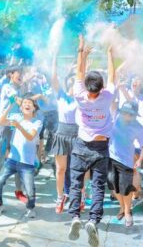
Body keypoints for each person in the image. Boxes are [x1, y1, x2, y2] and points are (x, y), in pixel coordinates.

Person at [68, 36, 115, 247]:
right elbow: (113, 77)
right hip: (101, 146)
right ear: (101, 87)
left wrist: (82, 53)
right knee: (98, 186)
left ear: (87, 87)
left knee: (77, 183)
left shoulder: (79, 95)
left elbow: (79, 72)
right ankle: (93, 220)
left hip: (81, 145)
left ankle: (75, 216)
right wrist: (109, 55)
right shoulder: (107, 97)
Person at [0, 94, 42, 218]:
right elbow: (0, 122)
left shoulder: (37, 122)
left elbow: (30, 137)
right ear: (21, 107)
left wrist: (19, 126)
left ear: (34, 108)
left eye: (30, 103)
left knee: (30, 191)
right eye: (24, 103)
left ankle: (30, 208)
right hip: (12, 160)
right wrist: (10, 104)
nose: (27, 104)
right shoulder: (16, 117)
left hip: (27, 163)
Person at [0, 66, 24, 199]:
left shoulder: (21, 88)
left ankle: (19, 190)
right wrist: (22, 99)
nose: (21, 76)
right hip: (3, 128)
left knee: (18, 158)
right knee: (0, 160)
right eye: (19, 73)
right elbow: (16, 100)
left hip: (15, 128)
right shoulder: (7, 87)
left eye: (22, 74)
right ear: (11, 75)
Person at [107, 101, 143, 227]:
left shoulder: (139, 128)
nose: (125, 115)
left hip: (126, 162)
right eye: (124, 112)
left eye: (129, 114)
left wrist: (140, 160)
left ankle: (128, 212)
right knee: (114, 186)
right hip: (111, 157)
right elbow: (111, 100)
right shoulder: (116, 117)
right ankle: (122, 208)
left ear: (134, 115)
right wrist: (117, 85)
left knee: (126, 189)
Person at [50, 53, 79, 214]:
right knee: (61, 169)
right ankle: (60, 197)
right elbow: (54, 77)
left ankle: (79, 197)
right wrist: (55, 58)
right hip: (61, 134)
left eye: (75, 83)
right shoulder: (61, 95)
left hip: (76, 135)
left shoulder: (81, 98)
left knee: (77, 170)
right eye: (71, 82)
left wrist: (82, 64)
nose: (72, 85)